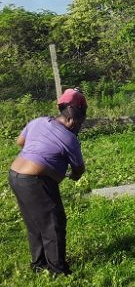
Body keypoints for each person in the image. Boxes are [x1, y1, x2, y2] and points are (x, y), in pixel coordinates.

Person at [8, 88, 88, 276]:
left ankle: (38, 264)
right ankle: (57, 270)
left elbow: (20, 142)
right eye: (78, 122)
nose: (78, 125)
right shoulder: (70, 139)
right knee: (54, 222)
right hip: (35, 180)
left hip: (14, 174)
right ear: (72, 119)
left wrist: (40, 147)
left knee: (34, 222)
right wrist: (72, 176)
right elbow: (78, 169)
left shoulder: (39, 121)